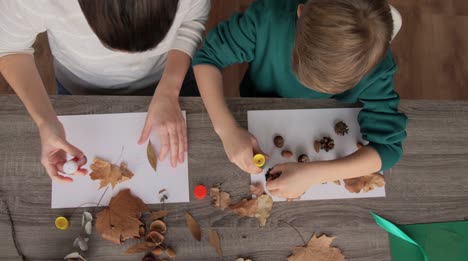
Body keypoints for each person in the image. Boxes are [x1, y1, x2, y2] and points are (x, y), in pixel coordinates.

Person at [193, 0, 408, 199]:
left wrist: (314, 174)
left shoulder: (376, 67)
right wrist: (226, 129)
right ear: (300, 11)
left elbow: (389, 149)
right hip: (260, 97)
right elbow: (207, 58)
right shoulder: (269, 17)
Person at [0, 0, 210, 182]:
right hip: (79, 87)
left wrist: (170, 88)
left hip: (174, 72)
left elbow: (192, 20)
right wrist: (45, 121)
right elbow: (10, 49)